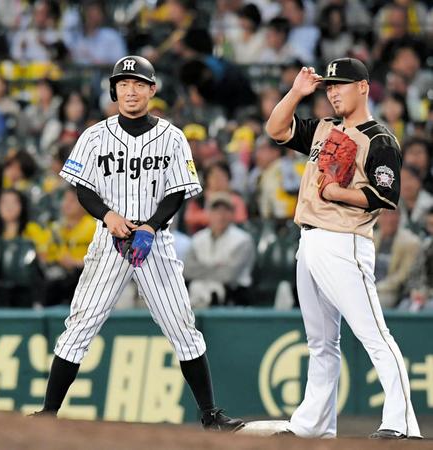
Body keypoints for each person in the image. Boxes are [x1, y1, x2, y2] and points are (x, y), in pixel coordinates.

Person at [32, 55, 244, 431]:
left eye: (138, 84)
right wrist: (108, 216)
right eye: (123, 84)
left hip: (155, 244)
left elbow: (178, 191)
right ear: (114, 90)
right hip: (109, 240)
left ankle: (210, 415)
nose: (130, 90)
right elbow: (83, 187)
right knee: (80, 324)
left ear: (152, 89)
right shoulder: (94, 135)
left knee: (182, 326)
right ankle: (48, 413)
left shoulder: (172, 136)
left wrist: (150, 226)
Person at [265, 57, 422, 439]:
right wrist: (297, 92)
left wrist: (338, 192)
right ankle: (313, 426)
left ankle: (402, 424)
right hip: (310, 239)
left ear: (364, 87)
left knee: (374, 335)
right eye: (329, 86)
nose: (333, 91)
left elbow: (387, 196)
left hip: (344, 242)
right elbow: (275, 129)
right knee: (320, 343)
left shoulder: (380, 138)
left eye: (341, 84)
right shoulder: (323, 128)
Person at [183, 192, 255, 308]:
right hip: (199, 288)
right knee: (196, 287)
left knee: (212, 288)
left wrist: (202, 268)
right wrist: (217, 267)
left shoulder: (243, 240)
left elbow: (229, 275)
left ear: (232, 214)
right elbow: (187, 270)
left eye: (226, 211)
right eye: (216, 210)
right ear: (208, 213)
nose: (221, 215)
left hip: (234, 294)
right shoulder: (198, 238)